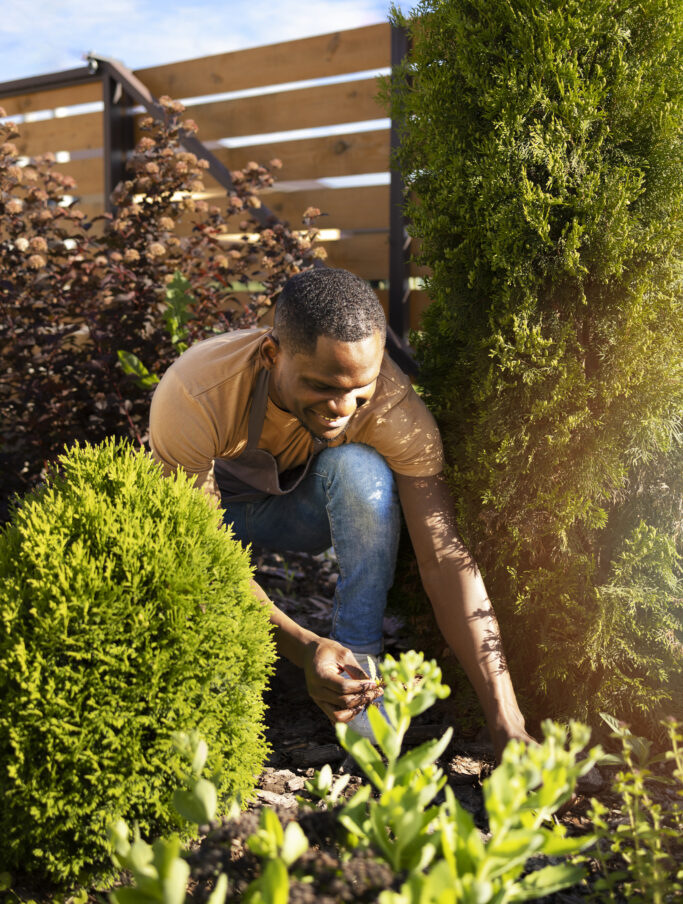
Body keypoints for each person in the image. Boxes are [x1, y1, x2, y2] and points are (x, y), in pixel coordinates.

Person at [149, 267, 531, 759]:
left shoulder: (392, 409)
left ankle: (356, 680)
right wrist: (303, 646)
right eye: (323, 386)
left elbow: (443, 557)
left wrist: (507, 719)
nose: (343, 407)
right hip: (216, 520)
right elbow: (199, 556)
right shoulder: (197, 391)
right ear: (272, 354)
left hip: (297, 513)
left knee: (362, 470)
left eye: (359, 389)